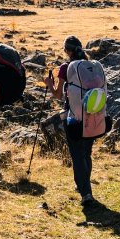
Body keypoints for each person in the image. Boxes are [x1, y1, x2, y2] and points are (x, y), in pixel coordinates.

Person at [44, 36, 97, 205]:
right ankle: (84, 186)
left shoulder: (66, 67)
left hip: (73, 117)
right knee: (86, 153)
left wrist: (48, 84)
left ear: (67, 51)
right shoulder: (91, 66)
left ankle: (86, 193)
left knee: (76, 154)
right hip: (92, 115)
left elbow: (58, 95)